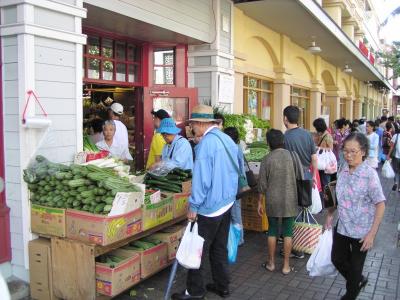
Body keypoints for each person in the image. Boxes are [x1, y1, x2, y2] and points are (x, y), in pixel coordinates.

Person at [172, 105, 238, 300]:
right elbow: (238, 168)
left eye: (192, 124)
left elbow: (202, 180)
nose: (191, 128)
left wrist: (194, 206)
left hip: (210, 207)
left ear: (201, 124)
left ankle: (195, 292)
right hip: (226, 202)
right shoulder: (226, 139)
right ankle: (222, 285)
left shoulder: (206, 145)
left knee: (196, 249)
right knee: (219, 247)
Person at [325, 133, 385, 300]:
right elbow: (337, 192)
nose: (348, 155)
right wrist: (330, 214)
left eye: (353, 152)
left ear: (363, 152)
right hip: (343, 226)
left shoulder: (369, 175)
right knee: (337, 259)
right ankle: (358, 279)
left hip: (362, 232)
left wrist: (371, 235)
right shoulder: (343, 167)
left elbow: (380, 204)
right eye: (345, 151)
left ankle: (352, 291)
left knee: (353, 273)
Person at [257, 129, 301, 275]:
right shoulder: (293, 156)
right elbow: (300, 176)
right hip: (290, 199)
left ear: (269, 143)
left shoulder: (267, 159)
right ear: (283, 141)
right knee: (288, 232)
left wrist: (259, 202)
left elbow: (262, 185)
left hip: (272, 200)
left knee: (272, 231)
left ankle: (271, 263)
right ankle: (286, 266)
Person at [283, 106, 318, 259]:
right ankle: (304, 242)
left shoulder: (285, 137)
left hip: (292, 177)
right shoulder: (307, 134)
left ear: (285, 118)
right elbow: (314, 158)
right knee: (305, 210)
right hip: (307, 175)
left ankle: (296, 248)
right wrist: (314, 176)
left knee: (293, 212)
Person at [224, 127, 246, 245]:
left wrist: (243, 184)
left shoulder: (233, 148)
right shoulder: (236, 148)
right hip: (234, 183)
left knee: (235, 211)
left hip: (234, 184)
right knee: (234, 211)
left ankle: (239, 238)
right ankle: (235, 237)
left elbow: (241, 167)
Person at [313, 118, 334, 187]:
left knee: (325, 181)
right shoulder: (320, 134)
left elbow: (331, 149)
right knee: (321, 181)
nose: (315, 129)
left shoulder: (327, 136)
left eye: (316, 127)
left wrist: (319, 148)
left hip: (325, 162)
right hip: (321, 161)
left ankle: (327, 195)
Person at [388, 127, 400, 192]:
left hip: (396, 156)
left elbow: (391, 146)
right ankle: (399, 187)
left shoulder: (396, 135)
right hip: (396, 157)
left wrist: (388, 155)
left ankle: (395, 182)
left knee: (395, 171)